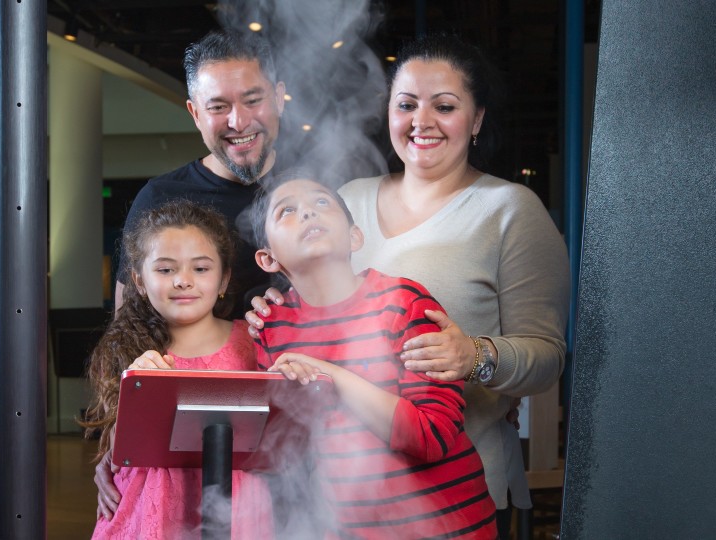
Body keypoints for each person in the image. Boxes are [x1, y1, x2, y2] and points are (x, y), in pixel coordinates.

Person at [247, 33, 570, 537]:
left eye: (444, 106)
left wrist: (474, 356)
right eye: (406, 105)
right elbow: (317, 295)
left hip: (449, 488)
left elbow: (547, 356)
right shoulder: (346, 198)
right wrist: (280, 305)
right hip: (347, 502)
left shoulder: (510, 210)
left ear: (477, 119)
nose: (422, 121)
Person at [246, 174, 497, 538]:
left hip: (450, 527)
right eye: (287, 210)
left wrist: (327, 374)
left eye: (321, 203)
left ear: (354, 236)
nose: (307, 215)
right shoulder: (271, 328)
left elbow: (433, 437)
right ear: (268, 258)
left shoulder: (404, 302)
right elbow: (282, 448)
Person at [83, 200, 274, 539]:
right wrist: (138, 387)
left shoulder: (254, 339)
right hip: (150, 508)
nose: (183, 281)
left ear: (224, 279)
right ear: (139, 281)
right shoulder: (129, 351)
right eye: (166, 270)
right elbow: (118, 451)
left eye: (200, 269)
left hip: (239, 504)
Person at [112, 30, 286, 314]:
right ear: (195, 114)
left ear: (279, 98)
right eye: (218, 107)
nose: (239, 122)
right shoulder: (161, 198)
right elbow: (127, 326)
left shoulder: (318, 185)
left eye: (253, 101)